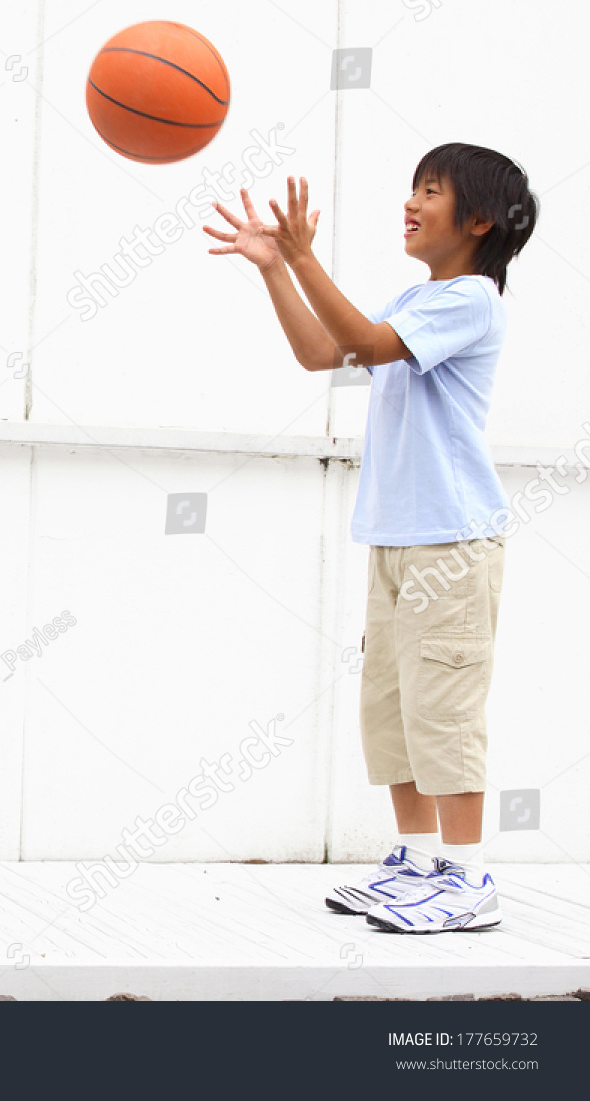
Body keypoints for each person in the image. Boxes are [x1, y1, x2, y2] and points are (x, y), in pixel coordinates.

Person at [204, 144, 537, 932]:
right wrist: (272, 268)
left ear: (480, 219)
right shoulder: (421, 297)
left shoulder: (473, 300)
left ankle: (467, 877)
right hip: (398, 537)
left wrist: (302, 254)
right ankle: (419, 859)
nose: (411, 202)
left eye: (431, 190)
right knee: (391, 708)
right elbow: (327, 349)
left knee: (444, 707)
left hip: (452, 543)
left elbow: (362, 336)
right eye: (412, 188)